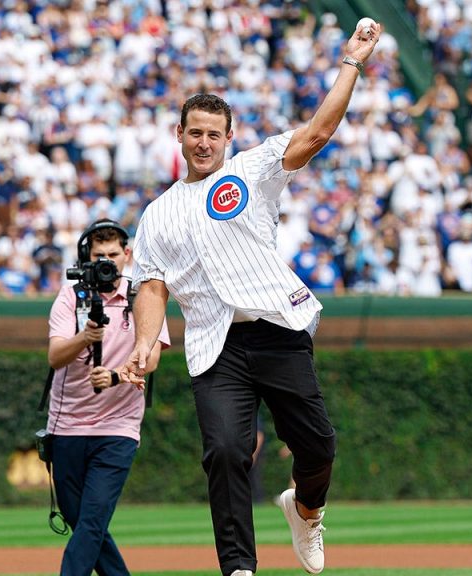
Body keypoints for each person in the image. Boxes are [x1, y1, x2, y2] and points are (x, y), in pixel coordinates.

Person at [123, 20, 383, 576]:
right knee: (224, 452)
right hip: (215, 348)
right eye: (195, 132)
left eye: (214, 134)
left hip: (277, 329)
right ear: (179, 134)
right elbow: (151, 286)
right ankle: (239, 568)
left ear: (228, 137)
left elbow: (317, 133)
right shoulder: (157, 214)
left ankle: (306, 510)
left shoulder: (252, 169)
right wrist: (145, 341)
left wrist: (351, 63)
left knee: (318, 446)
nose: (204, 142)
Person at [44, 219, 170, 576]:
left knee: (93, 518)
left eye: (113, 255)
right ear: (87, 258)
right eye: (99, 255)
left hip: (118, 426)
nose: (106, 262)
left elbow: (153, 359)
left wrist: (115, 376)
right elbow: (55, 357)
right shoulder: (71, 295)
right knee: (81, 519)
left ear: (127, 255)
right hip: (66, 424)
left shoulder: (143, 296)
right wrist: (84, 338)